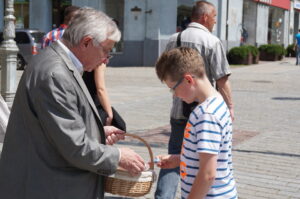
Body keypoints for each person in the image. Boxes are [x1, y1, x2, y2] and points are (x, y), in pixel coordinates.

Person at [0, 7, 145, 199]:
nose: (105, 60)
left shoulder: (58, 64)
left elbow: (57, 129)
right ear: (86, 42)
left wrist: (98, 132)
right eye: (106, 51)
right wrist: (118, 156)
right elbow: (74, 147)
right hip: (48, 187)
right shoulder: (55, 73)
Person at [155, 1, 234, 198]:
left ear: (189, 79)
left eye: (174, 88)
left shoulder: (206, 115)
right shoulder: (215, 105)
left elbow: (207, 175)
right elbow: (205, 158)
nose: (174, 95)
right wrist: (179, 160)